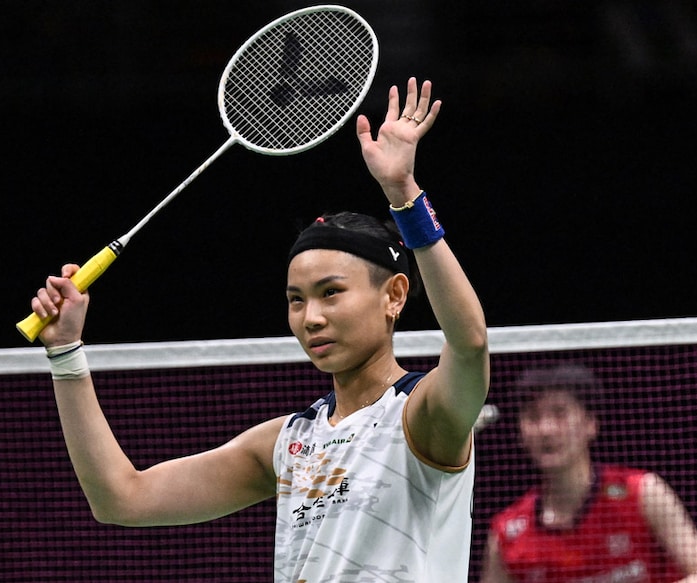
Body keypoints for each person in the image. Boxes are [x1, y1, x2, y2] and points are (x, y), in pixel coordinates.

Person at [29, 77, 489, 582]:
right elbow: (122, 498)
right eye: (296, 300)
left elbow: (468, 343)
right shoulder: (290, 444)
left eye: (331, 293)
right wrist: (66, 352)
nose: (310, 317)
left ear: (394, 296)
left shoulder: (422, 417)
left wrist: (403, 195)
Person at [481, 364, 697, 583]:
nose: (546, 430)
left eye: (559, 413)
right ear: (520, 434)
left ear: (591, 423)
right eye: (533, 417)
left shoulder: (642, 494)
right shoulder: (507, 534)